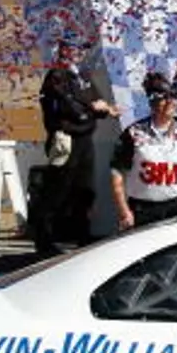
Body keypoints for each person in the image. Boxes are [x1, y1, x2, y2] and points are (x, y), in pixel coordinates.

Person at [35, 39, 118, 253]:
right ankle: (44, 239)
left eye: (82, 49)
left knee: (85, 188)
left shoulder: (83, 75)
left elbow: (97, 102)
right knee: (58, 189)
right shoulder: (57, 75)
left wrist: (104, 108)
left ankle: (83, 235)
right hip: (66, 138)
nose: (81, 53)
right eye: (76, 49)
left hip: (85, 138)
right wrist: (93, 108)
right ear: (64, 50)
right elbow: (72, 108)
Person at [110, 79, 177, 230]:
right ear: (152, 103)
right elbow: (117, 173)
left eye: (173, 97)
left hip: (175, 208)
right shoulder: (133, 133)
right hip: (142, 209)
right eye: (165, 98)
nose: (170, 102)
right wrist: (124, 212)